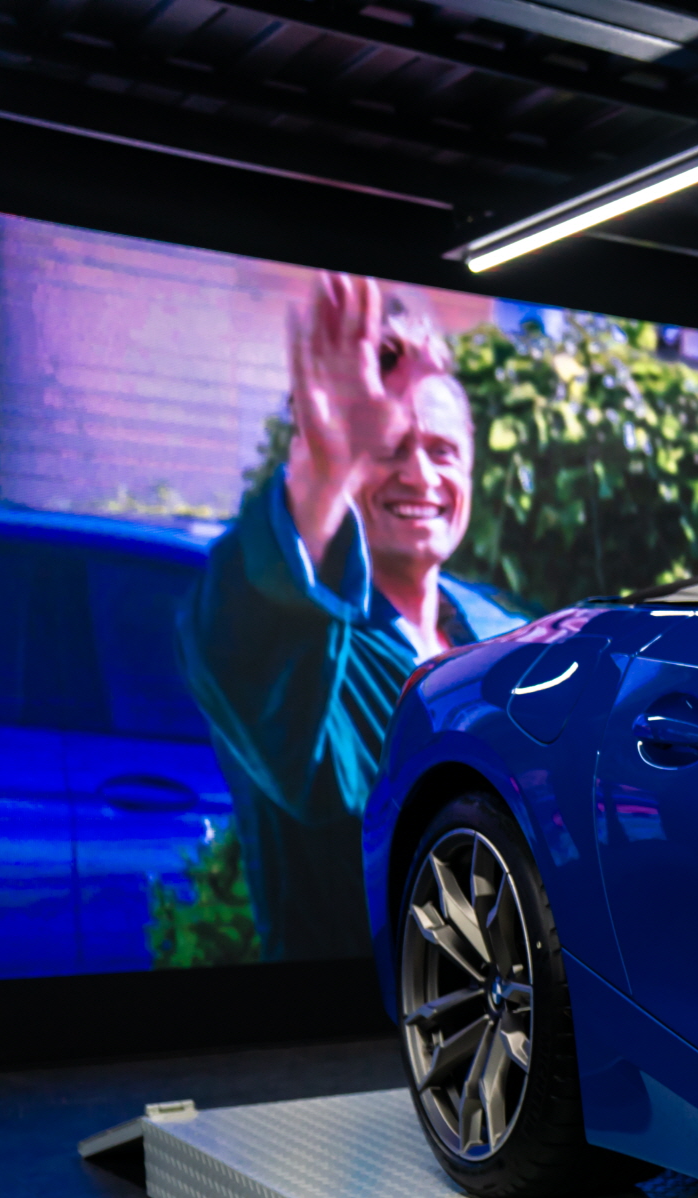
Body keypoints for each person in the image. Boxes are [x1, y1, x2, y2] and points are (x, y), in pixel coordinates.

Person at [183, 274, 527, 963]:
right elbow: (246, 628)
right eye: (389, 447)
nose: (420, 475)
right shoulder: (298, 633)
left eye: (442, 450)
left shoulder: (500, 634)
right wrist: (323, 473)